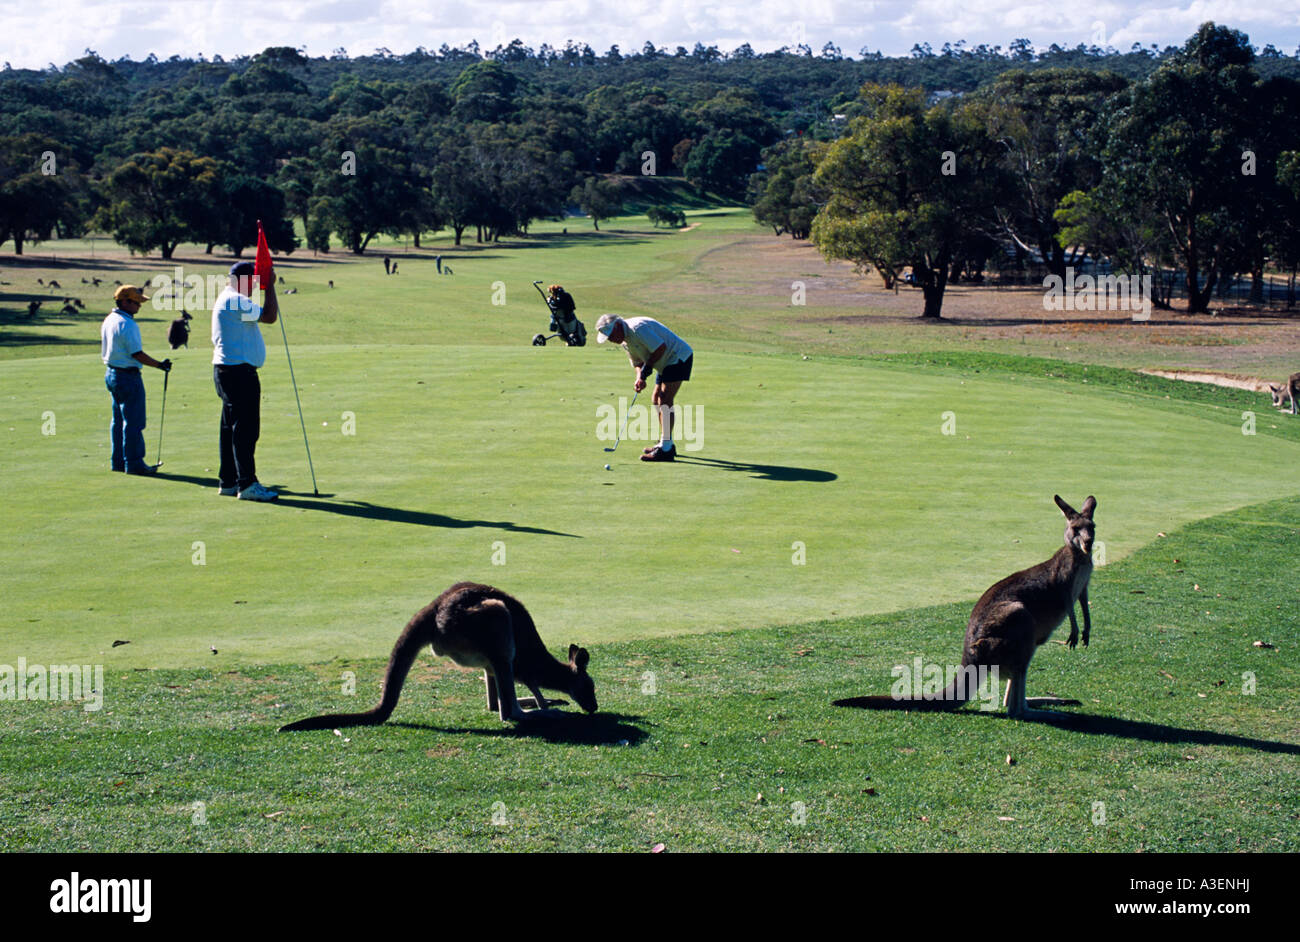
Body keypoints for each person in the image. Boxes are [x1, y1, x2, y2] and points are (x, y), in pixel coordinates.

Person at [212, 260, 279, 501]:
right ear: (244, 280)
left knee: (229, 428)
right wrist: (270, 286)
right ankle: (247, 483)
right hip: (239, 373)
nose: (255, 286)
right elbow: (270, 316)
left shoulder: (227, 298)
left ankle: (229, 481)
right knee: (245, 429)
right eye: (254, 281)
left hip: (226, 371)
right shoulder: (236, 300)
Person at [594, 314, 694, 461]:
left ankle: (666, 450)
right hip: (663, 362)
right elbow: (637, 362)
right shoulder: (625, 341)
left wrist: (646, 371)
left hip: (678, 356)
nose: (611, 340)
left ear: (616, 327)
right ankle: (666, 444)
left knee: (665, 399)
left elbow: (660, 348)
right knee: (656, 398)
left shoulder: (637, 329)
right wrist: (639, 377)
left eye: (610, 336)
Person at [101, 285, 171, 474]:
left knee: (118, 421)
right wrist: (160, 365)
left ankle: (118, 462)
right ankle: (134, 463)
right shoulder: (127, 323)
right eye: (136, 302)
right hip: (127, 376)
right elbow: (137, 354)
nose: (139, 306)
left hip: (112, 374)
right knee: (133, 421)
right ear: (124, 301)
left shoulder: (110, 319)